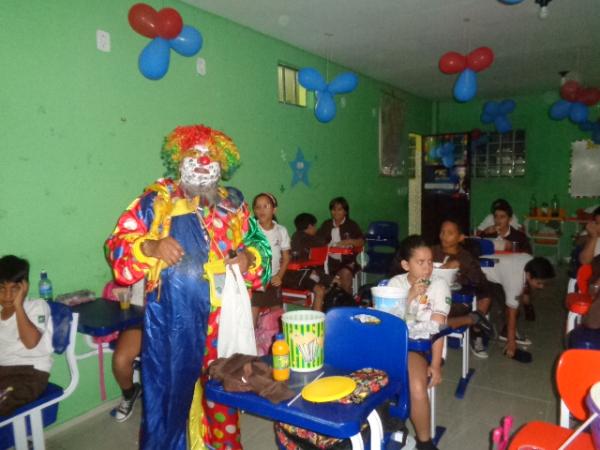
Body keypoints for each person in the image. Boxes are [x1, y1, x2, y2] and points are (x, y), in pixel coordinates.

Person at [104, 124, 270, 450]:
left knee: (224, 391)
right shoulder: (156, 201)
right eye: (194, 154)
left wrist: (249, 259)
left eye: (211, 156)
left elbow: (260, 246)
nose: (203, 161)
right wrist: (150, 248)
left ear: (223, 164)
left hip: (223, 321)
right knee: (169, 397)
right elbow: (117, 247)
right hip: (172, 320)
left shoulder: (234, 205)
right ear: (179, 160)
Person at [387, 236, 451, 450]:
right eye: (420, 262)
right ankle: (387, 424)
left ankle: (424, 442)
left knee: (415, 385)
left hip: (422, 347)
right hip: (393, 343)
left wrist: (435, 364)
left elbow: (438, 327)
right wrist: (409, 295)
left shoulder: (439, 285)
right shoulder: (395, 283)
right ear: (406, 264)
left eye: (430, 262)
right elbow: (387, 321)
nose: (427, 268)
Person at [432, 219, 494, 358]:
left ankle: (476, 329)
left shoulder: (465, 257)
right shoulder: (431, 251)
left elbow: (481, 282)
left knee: (431, 321)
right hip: (430, 300)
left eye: (450, 233)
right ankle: (471, 319)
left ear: (460, 237)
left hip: (456, 304)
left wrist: (460, 265)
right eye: (442, 232)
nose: (444, 236)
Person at [0, 255, 54, 417]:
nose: (8, 295)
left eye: (14, 288)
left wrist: (18, 306)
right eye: (2, 288)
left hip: (30, 374)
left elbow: (31, 343)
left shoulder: (36, 307)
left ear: (25, 287)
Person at [479, 200, 536, 321]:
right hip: (494, 273)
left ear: (509, 219)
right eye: (496, 217)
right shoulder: (488, 235)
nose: (498, 220)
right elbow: (479, 252)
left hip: (512, 274)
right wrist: (483, 234)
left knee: (517, 290)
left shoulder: (518, 236)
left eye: (502, 217)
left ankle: (525, 305)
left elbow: (529, 258)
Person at [498, 257, 555, 361]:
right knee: (513, 308)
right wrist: (511, 343)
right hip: (483, 272)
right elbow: (512, 312)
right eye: (539, 283)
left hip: (503, 269)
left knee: (517, 303)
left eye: (544, 283)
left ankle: (506, 332)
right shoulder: (515, 281)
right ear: (528, 275)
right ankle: (508, 336)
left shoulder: (531, 261)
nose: (542, 287)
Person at [251, 192, 290, 326]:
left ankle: (277, 345)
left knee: (277, 320)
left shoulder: (281, 230)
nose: (261, 210)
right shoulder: (251, 229)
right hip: (255, 281)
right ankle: (251, 346)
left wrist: (280, 276)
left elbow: (286, 257)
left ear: (274, 210)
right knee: (252, 320)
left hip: (274, 280)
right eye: (258, 207)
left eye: (265, 206)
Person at [282, 213, 329, 311]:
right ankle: (316, 322)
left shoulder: (296, 236)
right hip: (297, 276)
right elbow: (324, 240)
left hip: (300, 274)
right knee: (320, 290)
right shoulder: (306, 238)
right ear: (310, 226)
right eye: (314, 226)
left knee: (330, 282)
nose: (315, 229)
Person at [317, 197, 364, 294]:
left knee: (345, 274)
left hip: (347, 261)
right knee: (317, 275)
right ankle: (329, 303)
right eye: (333, 209)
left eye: (339, 209)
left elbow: (362, 241)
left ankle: (346, 303)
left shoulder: (351, 225)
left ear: (345, 211)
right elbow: (318, 241)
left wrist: (349, 242)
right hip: (329, 262)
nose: (336, 212)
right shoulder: (326, 224)